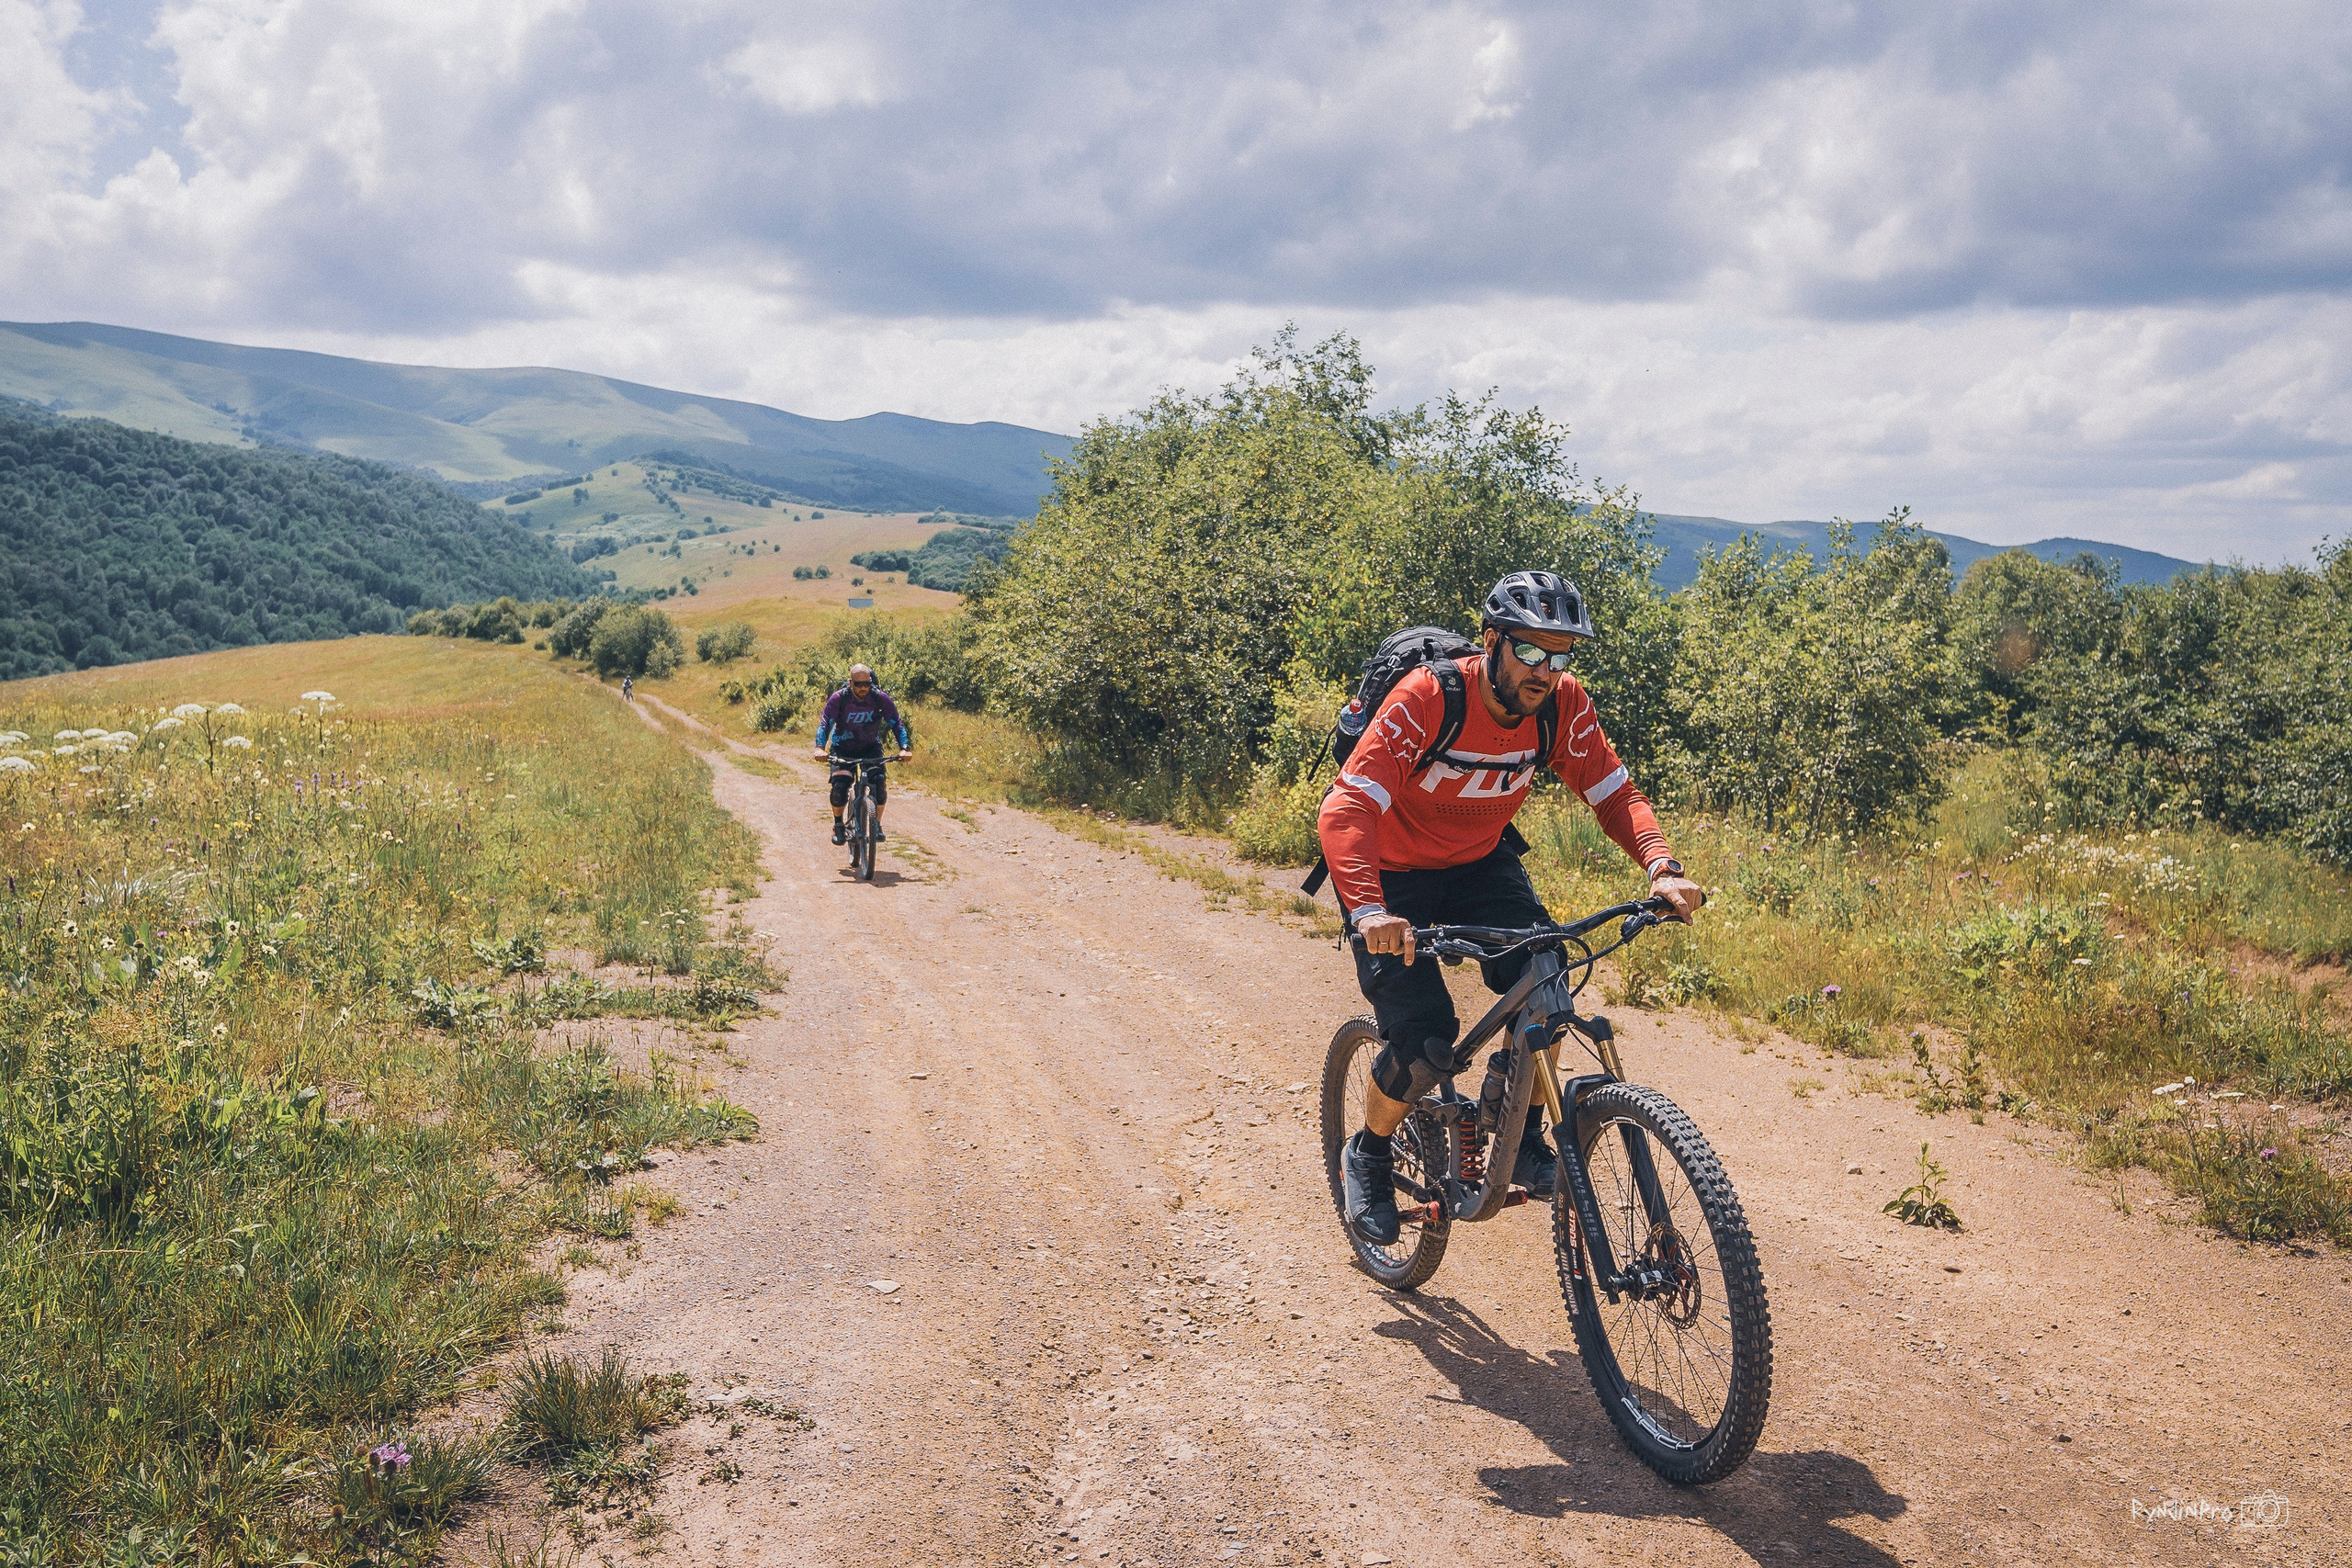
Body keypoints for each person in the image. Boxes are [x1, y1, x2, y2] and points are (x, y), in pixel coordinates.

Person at [1321, 570, 1706, 1245]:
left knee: (1549, 980)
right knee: (1423, 1040)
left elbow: (1615, 794)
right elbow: (1349, 806)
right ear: (1493, 642)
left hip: (1478, 862)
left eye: (1561, 656)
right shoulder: (1428, 698)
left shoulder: (1562, 706)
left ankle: (1524, 1134)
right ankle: (1370, 1152)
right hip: (1392, 874)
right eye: (1531, 651)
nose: (1545, 671)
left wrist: (1661, 865)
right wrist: (1368, 911)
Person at [812, 663, 912, 844]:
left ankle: (877, 824)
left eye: (867, 683)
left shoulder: (879, 698)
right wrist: (820, 747)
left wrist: (904, 747)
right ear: (851, 683)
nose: (863, 688)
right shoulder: (839, 698)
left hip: (870, 746)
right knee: (840, 787)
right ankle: (839, 825)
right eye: (858, 684)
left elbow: (896, 723)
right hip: (842, 746)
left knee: (879, 783)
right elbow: (826, 722)